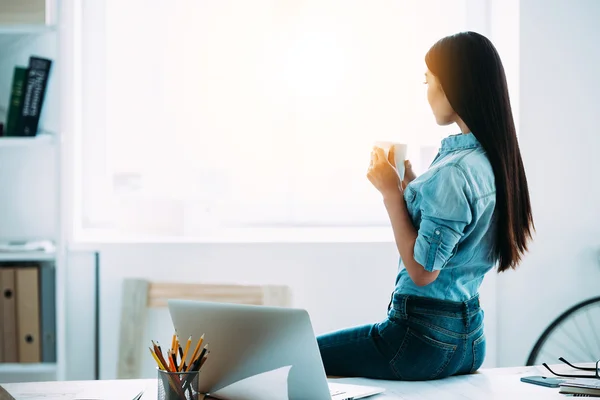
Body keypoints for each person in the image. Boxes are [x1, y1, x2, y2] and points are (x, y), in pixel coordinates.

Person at [317, 31, 534, 381]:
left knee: (300, 355)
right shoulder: (493, 162)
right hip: (470, 340)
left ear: (453, 85)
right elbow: (452, 229)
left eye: (428, 80)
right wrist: (410, 186)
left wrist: (390, 196)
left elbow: (422, 272)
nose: (427, 92)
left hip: (421, 339)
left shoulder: (453, 171)